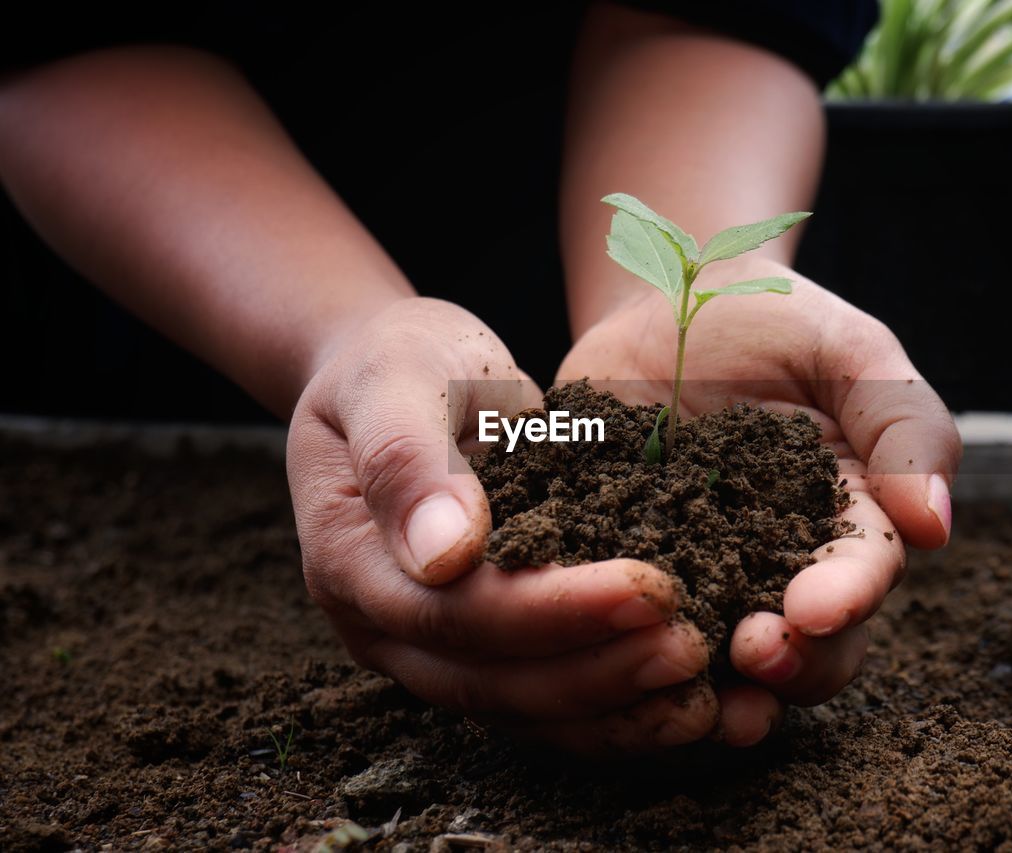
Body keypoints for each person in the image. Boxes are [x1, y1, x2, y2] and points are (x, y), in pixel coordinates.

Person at [0, 3, 961, 754]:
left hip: (529, 410)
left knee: (556, 445)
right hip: (166, 293)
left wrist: (691, 286)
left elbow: (712, 13)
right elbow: (64, 37)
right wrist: (349, 338)